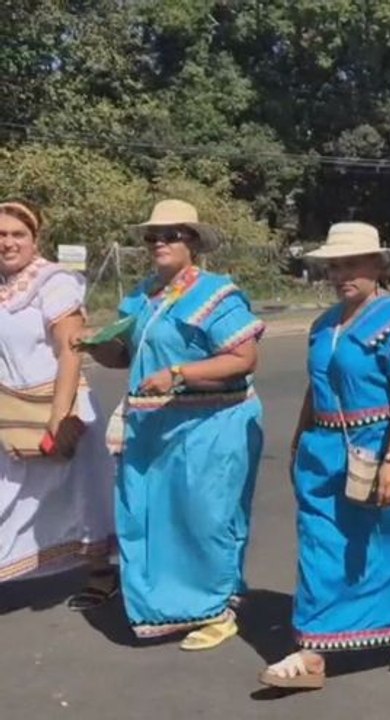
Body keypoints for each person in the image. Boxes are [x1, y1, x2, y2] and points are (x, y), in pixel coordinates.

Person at [259, 223, 390, 690]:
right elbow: (316, 386)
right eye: (334, 265)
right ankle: (314, 649)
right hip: (327, 447)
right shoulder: (324, 323)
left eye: (351, 264)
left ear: (378, 266)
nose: (340, 273)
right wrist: (298, 441)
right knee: (322, 543)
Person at [83, 199, 263, 649]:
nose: (158, 243)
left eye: (171, 235)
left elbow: (243, 358)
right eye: (152, 237)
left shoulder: (217, 293)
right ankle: (166, 605)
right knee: (151, 516)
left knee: (206, 517)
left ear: (194, 242)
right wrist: (91, 345)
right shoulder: (143, 294)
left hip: (211, 422)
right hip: (152, 425)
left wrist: (181, 373)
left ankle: (217, 608)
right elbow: (123, 355)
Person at [0, 200, 116, 608]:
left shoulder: (55, 283)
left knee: (82, 492)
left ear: (35, 239)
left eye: (18, 234)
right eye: (1, 235)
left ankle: (101, 571)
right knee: (10, 495)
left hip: (59, 404)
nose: (8, 243)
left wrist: (58, 416)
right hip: (13, 410)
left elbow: (71, 352)